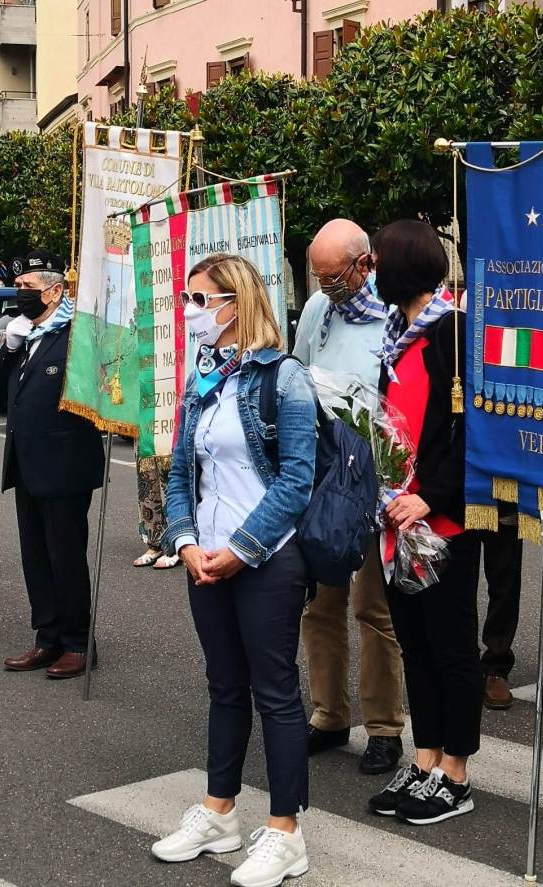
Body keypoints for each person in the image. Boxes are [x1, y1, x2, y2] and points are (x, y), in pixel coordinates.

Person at [154, 254, 316, 887]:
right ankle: (218, 812)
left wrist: (241, 548)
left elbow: (297, 479)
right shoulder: (203, 378)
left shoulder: (285, 377)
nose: (191, 310)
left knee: (275, 692)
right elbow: (180, 472)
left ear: (236, 302)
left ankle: (285, 833)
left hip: (266, 559)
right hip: (206, 559)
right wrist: (185, 541)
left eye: (201, 300)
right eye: (188, 298)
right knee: (223, 685)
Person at [367, 219, 482, 826]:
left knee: (452, 648)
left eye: (375, 260)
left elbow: (474, 431)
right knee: (414, 644)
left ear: (402, 265)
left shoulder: (453, 332)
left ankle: (455, 772)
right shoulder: (395, 334)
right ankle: (425, 757)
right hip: (396, 521)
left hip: (442, 525)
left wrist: (430, 498)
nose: (369, 271)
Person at [293, 218, 405, 775]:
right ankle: (329, 714)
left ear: (366, 265)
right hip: (324, 476)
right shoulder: (318, 310)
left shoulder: (394, 314)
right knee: (320, 604)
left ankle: (384, 727)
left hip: (378, 476)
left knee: (373, 609)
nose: (326, 287)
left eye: (334, 277)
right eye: (319, 277)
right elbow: (297, 376)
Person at [0, 250, 105, 680]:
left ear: (55, 292)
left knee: (65, 557)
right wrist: (8, 349)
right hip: (26, 465)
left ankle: (78, 642)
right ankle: (47, 636)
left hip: (65, 466)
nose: (20, 293)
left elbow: (98, 392)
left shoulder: (77, 335)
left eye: (29, 287)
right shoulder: (25, 336)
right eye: (17, 286)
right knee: (35, 558)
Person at [478, 504, 523, 710]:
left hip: (503, 492)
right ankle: (460, 659)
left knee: (504, 579)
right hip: (456, 492)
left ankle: (496, 666)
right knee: (456, 579)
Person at [133, 452, 178, 570]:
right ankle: (155, 543)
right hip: (144, 440)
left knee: (173, 482)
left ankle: (177, 543)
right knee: (147, 485)